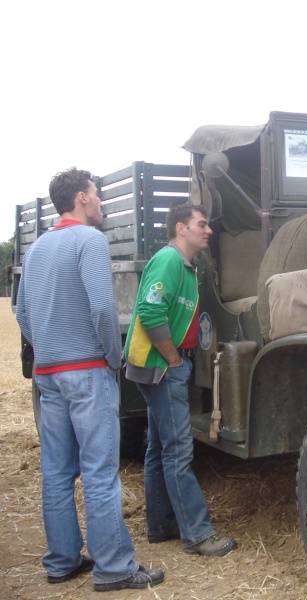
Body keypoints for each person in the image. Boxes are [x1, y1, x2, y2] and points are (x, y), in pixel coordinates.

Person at [15, 168, 164, 592]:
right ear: (82, 198)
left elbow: (21, 311)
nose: (101, 204)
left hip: (48, 372)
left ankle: (62, 561)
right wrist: (112, 358)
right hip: (85, 370)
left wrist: (48, 344)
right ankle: (114, 568)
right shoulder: (90, 241)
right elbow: (102, 309)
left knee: (57, 472)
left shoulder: (38, 247)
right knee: (100, 473)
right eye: (97, 195)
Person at [124, 203, 237, 557]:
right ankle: (197, 534)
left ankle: (161, 524)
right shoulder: (170, 261)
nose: (208, 230)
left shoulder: (186, 265)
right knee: (178, 451)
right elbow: (150, 309)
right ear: (180, 229)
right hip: (162, 368)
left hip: (163, 366)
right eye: (201, 225)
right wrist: (173, 359)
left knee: (159, 447)